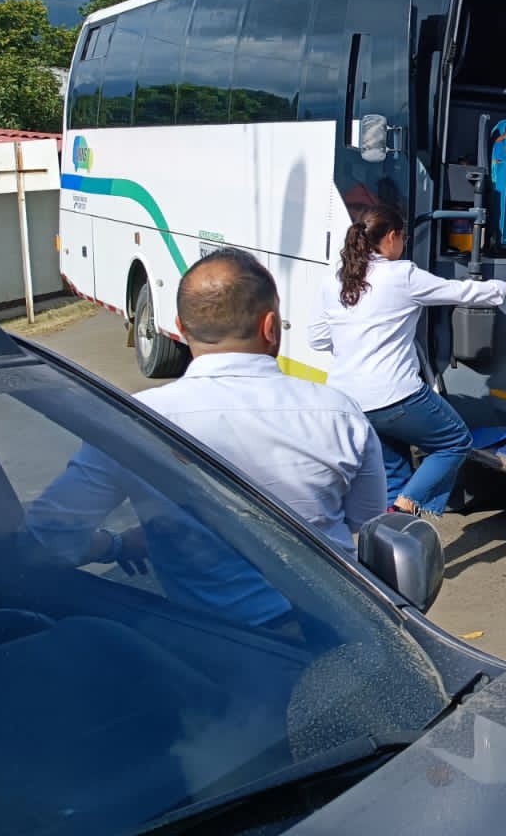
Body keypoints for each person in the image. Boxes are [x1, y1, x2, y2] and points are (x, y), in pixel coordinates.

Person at [27, 248, 384, 622]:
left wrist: (115, 544)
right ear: (270, 327)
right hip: (340, 635)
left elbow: (49, 532)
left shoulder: (134, 421)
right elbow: (367, 521)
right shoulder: (341, 413)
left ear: (180, 328)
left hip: (213, 647)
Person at [311, 205, 506, 517]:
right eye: (403, 238)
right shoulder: (401, 275)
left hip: (351, 399)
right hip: (395, 395)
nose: (404, 244)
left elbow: (317, 339)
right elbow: (459, 292)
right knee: (455, 442)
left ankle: (392, 535)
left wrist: (355, 341)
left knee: (395, 472)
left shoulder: (336, 281)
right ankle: (406, 506)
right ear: (392, 237)